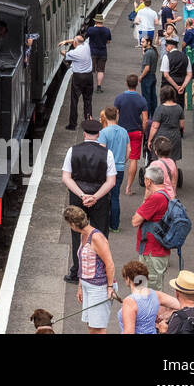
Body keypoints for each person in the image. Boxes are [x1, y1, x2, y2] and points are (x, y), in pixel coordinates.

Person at [62, 119, 115, 282]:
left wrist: (82, 195)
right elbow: (111, 182)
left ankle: (77, 272)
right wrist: (95, 197)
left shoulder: (73, 151)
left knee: (77, 234)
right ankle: (99, 271)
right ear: (98, 135)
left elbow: (66, 177)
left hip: (78, 199)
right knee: (100, 234)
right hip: (100, 200)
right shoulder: (108, 154)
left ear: (84, 133)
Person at [64, 205, 116, 334]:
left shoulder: (96, 237)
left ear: (73, 224)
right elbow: (83, 263)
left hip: (99, 287)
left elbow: (110, 264)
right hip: (88, 286)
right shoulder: (84, 235)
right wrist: (81, 286)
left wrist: (110, 287)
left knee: (97, 329)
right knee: (91, 326)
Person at [133, 165, 172, 289]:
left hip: (151, 252)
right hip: (156, 250)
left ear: (149, 181)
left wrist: (145, 199)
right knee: (146, 287)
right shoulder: (165, 194)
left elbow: (135, 221)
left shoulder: (156, 198)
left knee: (149, 290)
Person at [114, 74, 150, 197]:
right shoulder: (142, 100)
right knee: (133, 159)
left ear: (126, 83)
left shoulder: (119, 98)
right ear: (136, 84)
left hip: (122, 131)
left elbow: (115, 115)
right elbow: (145, 120)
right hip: (136, 132)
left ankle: (113, 182)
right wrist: (143, 130)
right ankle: (128, 187)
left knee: (117, 156)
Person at [99, 105, 129, 231]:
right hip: (120, 168)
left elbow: (101, 151)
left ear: (105, 116)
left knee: (105, 195)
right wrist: (123, 161)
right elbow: (129, 150)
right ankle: (115, 225)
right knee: (115, 195)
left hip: (107, 169)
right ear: (117, 116)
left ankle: (104, 222)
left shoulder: (103, 133)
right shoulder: (124, 131)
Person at [59, 35, 95, 129]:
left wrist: (64, 45)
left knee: (74, 101)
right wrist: (67, 40)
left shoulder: (74, 53)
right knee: (88, 100)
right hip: (89, 77)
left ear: (75, 43)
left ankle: (73, 124)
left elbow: (63, 52)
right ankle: (88, 122)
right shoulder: (86, 46)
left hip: (78, 77)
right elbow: (79, 41)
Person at [117, 260, 161, 334]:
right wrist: (165, 318)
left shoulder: (129, 301)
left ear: (128, 279)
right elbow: (179, 304)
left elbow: (129, 332)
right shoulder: (155, 294)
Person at [150, 85, 185, 165]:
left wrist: (149, 140)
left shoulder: (160, 109)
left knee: (159, 159)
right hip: (175, 136)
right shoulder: (179, 108)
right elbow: (182, 125)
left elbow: (155, 126)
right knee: (173, 161)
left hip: (162, 137)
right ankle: (174, 176)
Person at [160, 37, 192, 111]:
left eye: (166, 45)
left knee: (166, 108)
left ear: (170, 46)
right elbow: (189, 74)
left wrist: (176, 87)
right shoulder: (186, 57)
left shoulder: (166, 57)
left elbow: (166, 75)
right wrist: (182, 86)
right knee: (179, 107)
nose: (165, 47)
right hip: (181, 87)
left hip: (168, 87)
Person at [85, 14, 111, 94]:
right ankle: (99, 87)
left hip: (92, 52)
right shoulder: (107, 30)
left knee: (90, 70)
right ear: (102, 21)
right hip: (103, 52)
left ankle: (88, 87)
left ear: (95, 21)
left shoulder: (91, 29)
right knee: (100, 70)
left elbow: (85, 37)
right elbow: (108, 41)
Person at [139, 36, 159, 115]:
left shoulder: (148, 53)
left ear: (149, 42)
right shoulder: (153, 51)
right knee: (153, 96)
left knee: (146, 97)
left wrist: (141, 76)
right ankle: (153, 113)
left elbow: (147, 68)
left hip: (147, 77)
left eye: (143, 42)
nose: (141, 43)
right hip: (153, 76)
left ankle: (147, 114)